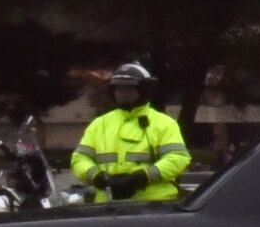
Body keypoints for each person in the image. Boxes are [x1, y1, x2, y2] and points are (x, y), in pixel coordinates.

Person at [71, 62, 192, 203]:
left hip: (154, 207)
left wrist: (141, 178)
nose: (123, 94)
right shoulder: (100, 124)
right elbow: (79, 159)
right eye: (119, 89)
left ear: (144, 90)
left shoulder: (164, 123)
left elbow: (178, 158)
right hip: (108, 207)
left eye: (129, 89)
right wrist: (98, 178)